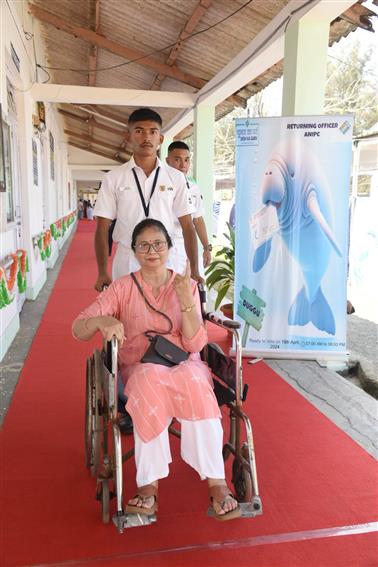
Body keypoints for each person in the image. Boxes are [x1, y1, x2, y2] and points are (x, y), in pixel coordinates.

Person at [72, 218, 240, 521]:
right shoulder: (122, 288)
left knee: (196, 383)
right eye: (144, 245)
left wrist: (187, 301)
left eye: (158, 244)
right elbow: (78, 328)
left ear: (170, 247)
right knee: (150, 381)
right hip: (140, 366)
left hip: (183, 362)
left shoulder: (186, 285)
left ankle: (217, 482)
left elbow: (194, 344)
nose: (152, 251)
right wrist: (102, 321)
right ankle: (149, 486)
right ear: (134, 251)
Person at [93, 108, 200, 291]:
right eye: (139, 131)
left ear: (161, 139)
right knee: (127, 315)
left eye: (153, 132)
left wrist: (195, 269)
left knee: (168, 315)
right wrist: (102, 271)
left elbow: (188, 226)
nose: (146, 137)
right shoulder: (113, 178)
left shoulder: (176, 178)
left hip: (166, 258)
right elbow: (102, 228)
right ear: (128, 136)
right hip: (128, 258)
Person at [166, 141, 212, 273]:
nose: (183, 165)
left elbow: (197, 219)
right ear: (167, 161)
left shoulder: (193, 188)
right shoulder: (159, 185)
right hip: (164, 247)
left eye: (186, 160)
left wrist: (206, 247)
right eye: (177, 160)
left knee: (194, 287)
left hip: (188, 246)